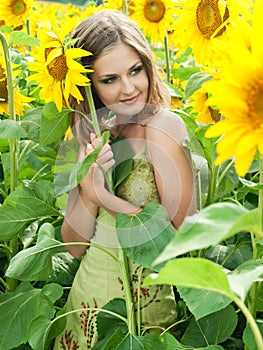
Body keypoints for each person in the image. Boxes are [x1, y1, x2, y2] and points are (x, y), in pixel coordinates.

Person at [53, 9, 196, 349]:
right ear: (89, 85)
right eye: (110, 79)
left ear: (148, 66)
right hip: (85, 310)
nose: (129, 88)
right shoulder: (88, 132)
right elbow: (74, 246)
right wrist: (88, 192)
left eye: (135, 71)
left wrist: (105, 197)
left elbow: (182, 239)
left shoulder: (164, 128)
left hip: (145, 314)